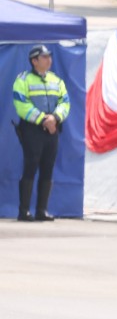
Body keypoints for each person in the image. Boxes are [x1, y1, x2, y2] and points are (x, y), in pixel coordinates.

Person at [12, 44, 69, 221]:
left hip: (52, 130)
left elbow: (65, 102)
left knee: (48, 167)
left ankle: (41, 210)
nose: (49, 60)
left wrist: (55, 118)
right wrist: (44, 119)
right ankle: (24, 211)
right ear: (34, 61)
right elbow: (21, 105)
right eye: (44, 57)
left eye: (49, 56)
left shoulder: (56, 80)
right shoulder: (23, 80)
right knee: (31, 166)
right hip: (32, 129)